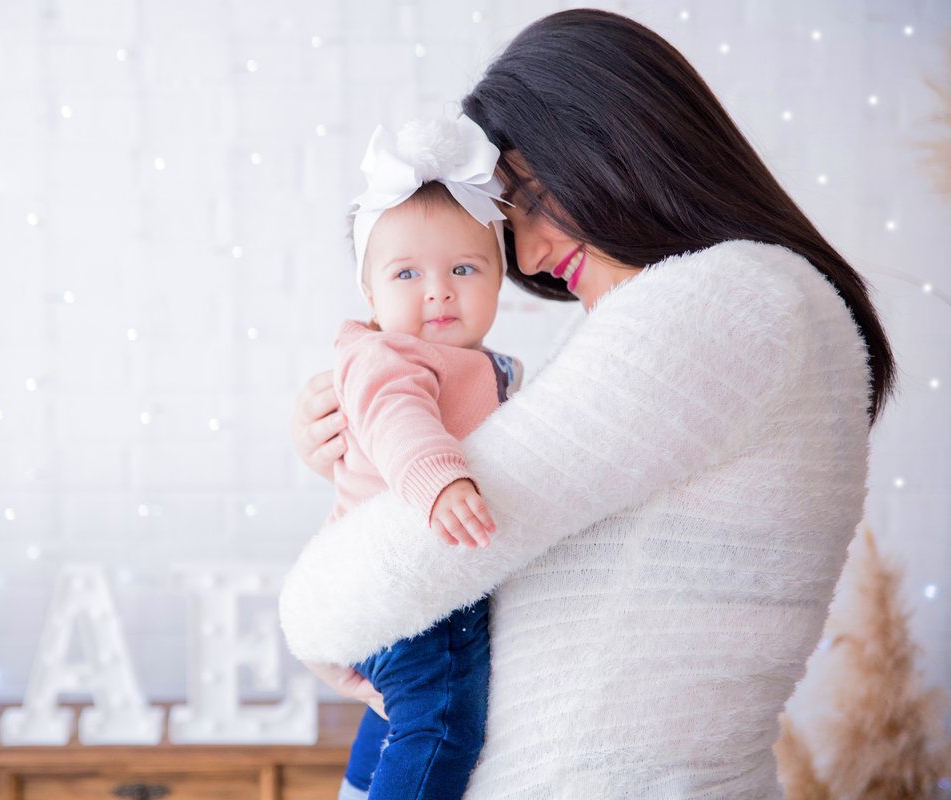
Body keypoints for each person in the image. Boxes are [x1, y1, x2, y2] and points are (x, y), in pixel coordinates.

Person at [280, 9, 894, 798]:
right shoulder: (764, 304)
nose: (527, 254)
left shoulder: (725, 302)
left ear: (620, 143)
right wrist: (358, 436)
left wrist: (308, 621)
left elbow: (428, 550)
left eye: (532, 198)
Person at [319, 115, 523, 800]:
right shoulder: (385, 358)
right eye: (407, 273)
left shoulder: (486, 366)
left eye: (464, 268)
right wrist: (441, 484)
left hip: (400, 586)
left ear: (499, 279)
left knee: (398, 713)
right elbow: (397, 420)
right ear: (371, 296)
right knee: (440, 723)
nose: (438, 290)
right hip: (407, 585)